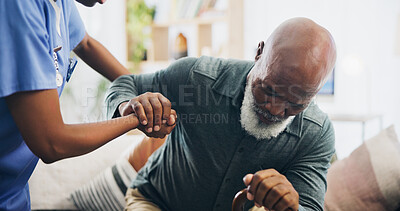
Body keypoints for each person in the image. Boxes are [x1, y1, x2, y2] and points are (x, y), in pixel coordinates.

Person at [106, 17, 337, 211]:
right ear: (259, 52)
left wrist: (291, 207)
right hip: (155, 202)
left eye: (295, 104)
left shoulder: (316, 134)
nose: (274, 110)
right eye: (268, 89)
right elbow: (125, 84)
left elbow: (308, 205)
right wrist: (128, 107)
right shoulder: (197, 78)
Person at [0, 0, 176, 210]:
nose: (104, 1)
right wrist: (137, 118)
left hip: (14, 194)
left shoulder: (60, 4)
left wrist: (142, 93)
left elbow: (86, 44)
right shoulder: (19, 6)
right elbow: (51, 143)